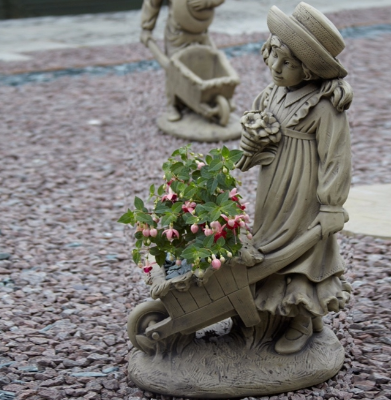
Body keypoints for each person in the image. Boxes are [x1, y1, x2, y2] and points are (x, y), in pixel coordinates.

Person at [236, 2, 353, 355]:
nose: (275, 67)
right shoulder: (270, 94)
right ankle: (279, 311)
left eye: (288, 63)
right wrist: (251, 144)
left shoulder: (323, 106)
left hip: (305, 190)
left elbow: (336, 157)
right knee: (268, 245)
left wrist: (331, 204)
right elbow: (255, 140)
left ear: (308, 71)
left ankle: (302, 317)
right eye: (273, 55)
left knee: (302, 250)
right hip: (274, 187)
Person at [140, 0, 225, 121]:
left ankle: (205, 99)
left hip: (202, 32)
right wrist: (146, 27)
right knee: (175, 69)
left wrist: (206, 2)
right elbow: (153, 2)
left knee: (208, 64)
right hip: (177, 34)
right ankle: (173, 105)